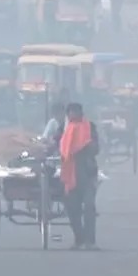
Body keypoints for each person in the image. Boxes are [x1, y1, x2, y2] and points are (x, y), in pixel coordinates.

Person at [59, 102, 100, 250]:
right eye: (71, 112)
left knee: (89, 207)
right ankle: (79, 239)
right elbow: (57, 144)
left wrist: (86, 144)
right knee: (72, 208)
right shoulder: (63, 128)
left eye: (76, 112)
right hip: (70, 172)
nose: (73, 115)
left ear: (81, 113)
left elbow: (96, 149)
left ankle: (90, 241)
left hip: (87, 172)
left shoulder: (90, 127)